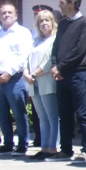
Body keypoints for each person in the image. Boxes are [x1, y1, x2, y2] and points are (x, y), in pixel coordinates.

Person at [47, 0, 86, 162]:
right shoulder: (64, 24)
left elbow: (79, 51)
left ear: (72, 3)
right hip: (61, 75)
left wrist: (59, 67)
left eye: (62, 3)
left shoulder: (85, 23)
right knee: (64, 114)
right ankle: (66, 149)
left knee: (83, 113)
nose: (60, 6)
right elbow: (56, 48)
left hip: (77, 74)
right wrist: (54, 66)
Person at [0, 2, 33, 156]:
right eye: (3, 13)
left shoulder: (22, 33)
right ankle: (7, 143)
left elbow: (23, 56)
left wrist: (8, 73)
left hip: (15, 79)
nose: (6, 15)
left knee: (19, 113)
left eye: (9, 13)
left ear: (16, 15)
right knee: (1, 113)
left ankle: (23, 143)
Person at [24, 9, 59, 159]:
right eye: (41, 21)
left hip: (46, 82)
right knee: (41, 117)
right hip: (33, 83)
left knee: (52, 116)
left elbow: (49, 62)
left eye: (47, 20)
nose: (44, 23)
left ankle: (53, 147)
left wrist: (34, 74)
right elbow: (26, 60)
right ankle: (44, 147)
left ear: (53, 22)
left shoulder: (55, 40)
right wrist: (26, 73)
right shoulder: (36, 41)